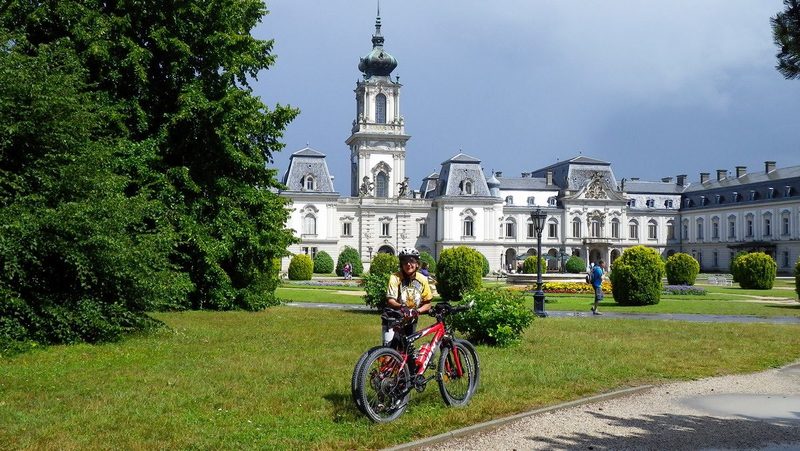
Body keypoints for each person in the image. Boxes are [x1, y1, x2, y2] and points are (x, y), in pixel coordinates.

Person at [382, 247, 433, 347]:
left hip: (411, 320)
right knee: (389, 350)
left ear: (417, 264)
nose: (408, 264)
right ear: (401, 264)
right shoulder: (395, 277)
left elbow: (428, 304)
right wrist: (402, 307)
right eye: (405, 262)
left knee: (407, 350)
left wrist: (417, 311)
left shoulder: (422, 279)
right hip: (393, 319)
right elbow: (391, 300)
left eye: (412, 261)